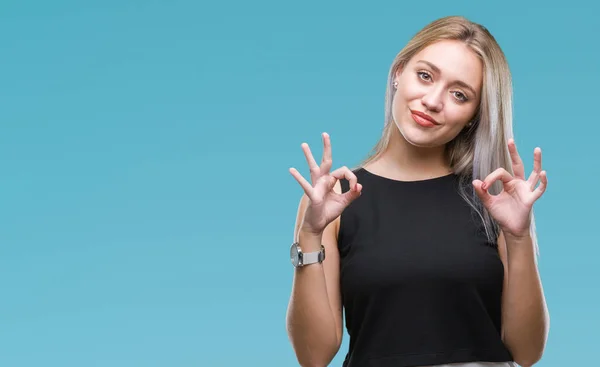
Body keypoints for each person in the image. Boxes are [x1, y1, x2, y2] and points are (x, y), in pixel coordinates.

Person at [285, 15, 549, 367]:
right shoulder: (333, 201)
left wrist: (519, 237)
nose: (433, 101)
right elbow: (314, 356)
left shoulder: (494, 200)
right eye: (425, 76)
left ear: (473, 114)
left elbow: (526, 353)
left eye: (459, 94)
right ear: (398, 73)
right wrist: (310, 232)